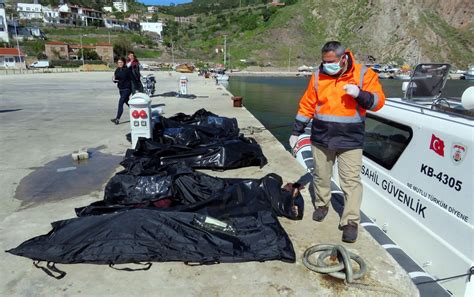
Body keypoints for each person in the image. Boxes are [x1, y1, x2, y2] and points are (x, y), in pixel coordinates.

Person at [289, 41, 385, 243]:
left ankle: (350, 221)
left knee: (350, 182)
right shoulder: (317, 75)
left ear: (343, 58)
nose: (327, 65)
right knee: (321, 176)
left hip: (350, 140)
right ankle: (322, 205)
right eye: (324, 61)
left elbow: (378, 102)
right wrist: (296, 131)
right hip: (321, 137)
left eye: (331, 62)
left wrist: (360, 95)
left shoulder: (363, 74)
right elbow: (307, 104)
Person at [111, 57, 132, 125]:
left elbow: (131, 78)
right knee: (128, 103)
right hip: (121, 89)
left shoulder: (127, 70)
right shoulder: (117, 70)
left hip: (127, 89)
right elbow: (116, 79)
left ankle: (117, 119)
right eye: (119, 62)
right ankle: (138, 110)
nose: (120, 64)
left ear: (124, 62)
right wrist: (113, 79)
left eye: (121, 62)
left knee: (121, 102)